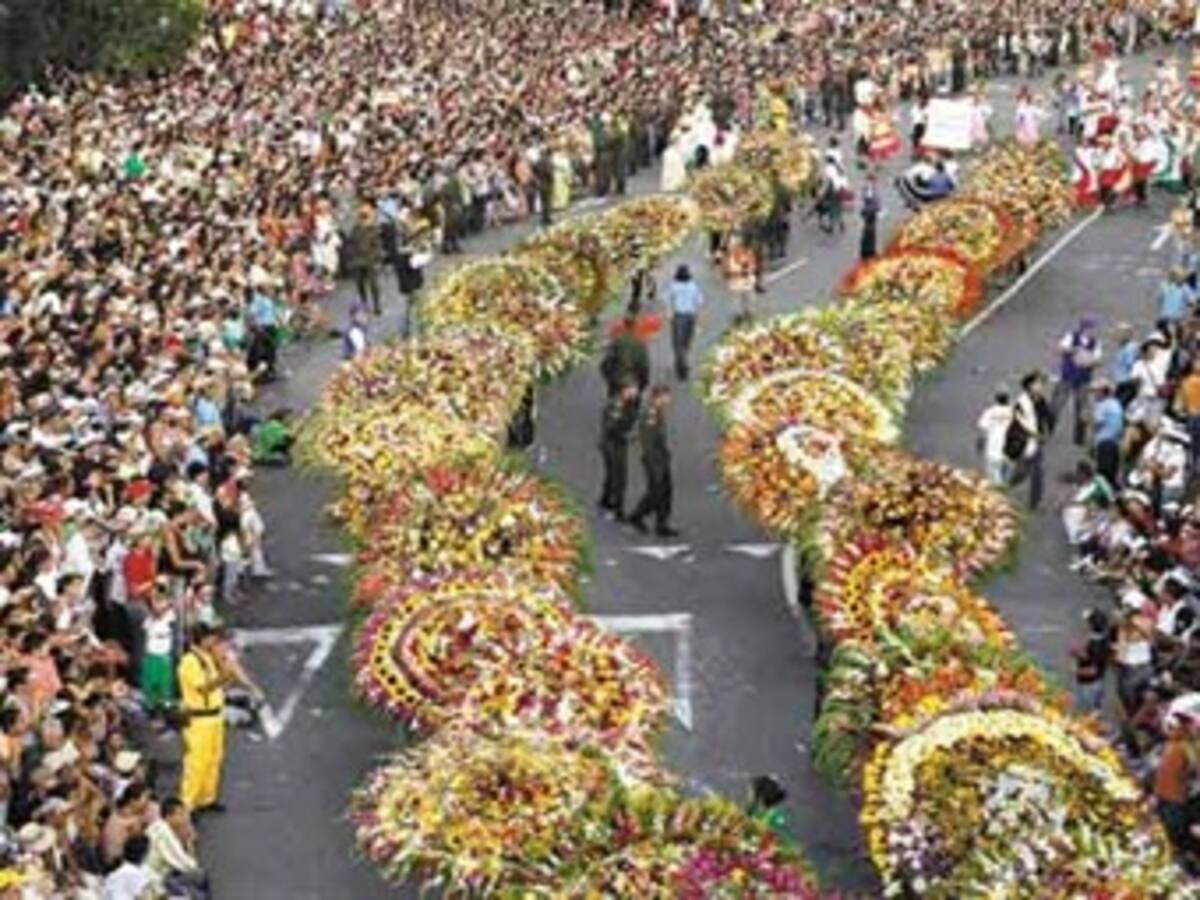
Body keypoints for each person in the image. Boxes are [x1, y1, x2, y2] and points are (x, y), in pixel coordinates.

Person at [177, 625, 228, 814]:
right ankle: (188, 804)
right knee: (196, 762)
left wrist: (223, 665)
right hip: (199, 719)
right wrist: (224, 677)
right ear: (203, 639)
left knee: (214, 758)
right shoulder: (189, 662)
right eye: (211, 639)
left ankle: (206, 797)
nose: (214, 642)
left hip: (215, 716)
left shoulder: (206, 658)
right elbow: (203, 689)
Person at [629, 385, 676, 538]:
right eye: (666, 397)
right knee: (656, 492)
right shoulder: (650, 414)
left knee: (666, 492)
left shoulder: (658, 412)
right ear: (658, 397)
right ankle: (637, 515)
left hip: (661, 458)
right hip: (654, 460)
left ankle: (662, 524)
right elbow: (648, 442)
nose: (669, 400)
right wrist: (656, 463)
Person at [1008, 371, 1054, 509]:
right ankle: (1007, 486)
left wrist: (1047, 431)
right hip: (1024, 440)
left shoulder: (1041, 400)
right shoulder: (1021, 403)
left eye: (1041, 383)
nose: (1040, 386)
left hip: (1036, 440)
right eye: (1037, 383)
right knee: (1023, 471)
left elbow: (1048, 416)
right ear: (1029, 386)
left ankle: (1034, 502)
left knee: (1037, 471)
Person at [1053, 316, 1103, 446]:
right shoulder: (1071, 336)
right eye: (1089, 328)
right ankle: (1049, 427)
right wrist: (1075, 350)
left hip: (1084, 379)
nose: (1091, 331)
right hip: (1068, 376)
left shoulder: (1096, 343)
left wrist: (1089, 360)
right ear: (1083, 328)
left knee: (1081, 407)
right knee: (1057, 403)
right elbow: (1061, 348)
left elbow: (1098, 359)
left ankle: (1079, 436)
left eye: (1093, 328)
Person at [598, 382, 640, 521]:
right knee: (619, 477)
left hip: (617, 444)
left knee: (612, 475)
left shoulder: (629, 404)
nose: (635, 392)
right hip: (612, 444)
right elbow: (611, 427)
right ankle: (617, 509)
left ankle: (605, 500)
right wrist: (627, 436)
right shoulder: (617, 406)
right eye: (632, 389)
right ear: (623, 390)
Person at [665, 266, 703, 381]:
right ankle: (683, 361)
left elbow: (667, 299)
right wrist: (698, 320)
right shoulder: (693, 286)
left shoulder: (673, 286)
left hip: (678, 316)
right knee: (686, 342)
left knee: (677, 343)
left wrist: (669, 312)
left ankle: (681, 364)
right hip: (690, 317)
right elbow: (699, 302)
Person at [1071, 607, 1112, 713]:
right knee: (1096, 710)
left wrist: (1076, 671)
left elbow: (1093, 670)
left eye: (1087, 622)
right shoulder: (1103, 639)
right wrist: (1079, 655)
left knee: (1088, 715)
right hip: (1098, 682)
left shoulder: (1095, 645)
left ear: (1091, 625)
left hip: (1089, 685)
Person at [599, 317, 651, 398]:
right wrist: (644, 383)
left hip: (617, 379)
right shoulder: (640, 343)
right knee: (635, 397)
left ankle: (613, 394)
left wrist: (610, 378)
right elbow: (644, 365)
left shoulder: (617, 341)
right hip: (633, 380)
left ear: (625, 326)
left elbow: (605, 362)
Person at [347, 202, 384, 315]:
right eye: (362, 216)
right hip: (358, 260)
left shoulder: (373, 229)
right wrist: (351, 258)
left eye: (366, 216)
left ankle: (376, 305)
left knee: (373, 284)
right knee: (360, 284)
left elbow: (377, 246)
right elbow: (350, 244)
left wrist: (377, 259)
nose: (364, 219)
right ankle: (364, 304)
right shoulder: (355, 229)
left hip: (369, 260)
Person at [976, 389, 1013, 486]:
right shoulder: (1013, 412)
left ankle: (997, 487)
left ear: (996, 399)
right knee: (1004, 473)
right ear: (1008, 399)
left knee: (993, 474)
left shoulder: (989, 412)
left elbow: (983, 429)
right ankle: (1001, 485)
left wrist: (980, 444)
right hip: (1008, 449)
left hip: (992, 448)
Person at [1091, 379, 1124, 486]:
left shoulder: (1102, 405)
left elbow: (1097, 423)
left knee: (1102, 476)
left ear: (1102, 391)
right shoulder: (1116, 403)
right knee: (1111, 475)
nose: (1094, 394)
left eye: (1096, 391)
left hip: (1104, 443)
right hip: (1115, 443)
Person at [747, 775, 789, 841]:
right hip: (757, 786)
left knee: (760, 808)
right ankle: (749, 816)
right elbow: (757, 798)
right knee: (753, 803)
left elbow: (768, 805)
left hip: (766, 788)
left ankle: (754, 819)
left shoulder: (775, 795)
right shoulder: (767, 793)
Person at [859, 174, 882, 261]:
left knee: (871, 232)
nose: (874, 183)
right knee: (868, 232)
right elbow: (868, 198)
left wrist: (879, 209)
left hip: (873, 213)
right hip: (869, 213)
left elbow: (877, 201)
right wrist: (869, 188)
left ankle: (870, 250)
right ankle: (866, 252)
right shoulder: (868, 189)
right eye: (872, 181)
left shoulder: (873, 189)